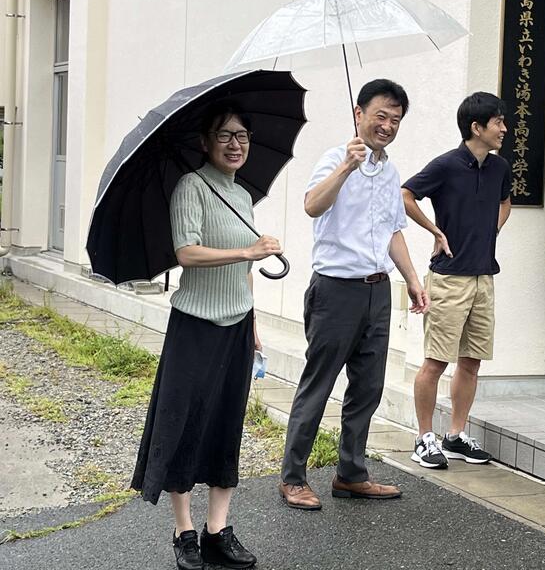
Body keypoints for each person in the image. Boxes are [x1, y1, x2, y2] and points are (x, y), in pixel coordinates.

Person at [131, 102, 281, 570]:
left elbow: (245, 271)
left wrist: (252, 321)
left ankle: (218, 530)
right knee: (184, 422)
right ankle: (184, 532)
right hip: (195, 326)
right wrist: (247, 251)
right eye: (224, 135)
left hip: (237, 326)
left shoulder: (242, 196)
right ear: (204, 142)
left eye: (242, 136)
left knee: (225, 422)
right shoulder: (190, 187)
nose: (236, 145)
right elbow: (187, 252)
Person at [279, 79, 429, 510]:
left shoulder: (390, 171)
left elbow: (393, 231)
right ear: (359, 113)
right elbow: (312, 205)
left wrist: (412, 279)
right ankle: (292, 477)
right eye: (381, 115)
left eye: (395, 120)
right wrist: (347, 166)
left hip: (377, 291)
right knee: (319, 384)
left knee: (368, 387)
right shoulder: (334, 158)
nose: (387, 126)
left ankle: (351, 474)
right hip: (335, 291)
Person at [401, 92, 511, 469]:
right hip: (448, 279)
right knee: (435, 362)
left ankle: (456, 435)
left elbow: (505, 202)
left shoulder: (499, 167)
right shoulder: (446, 165)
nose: (504, 128)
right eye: (498, 122)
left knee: (471, 362)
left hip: (484, 277)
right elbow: (406, 195)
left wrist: (492, 231)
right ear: (476, 127)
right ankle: (424, 438)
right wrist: (435, 230)